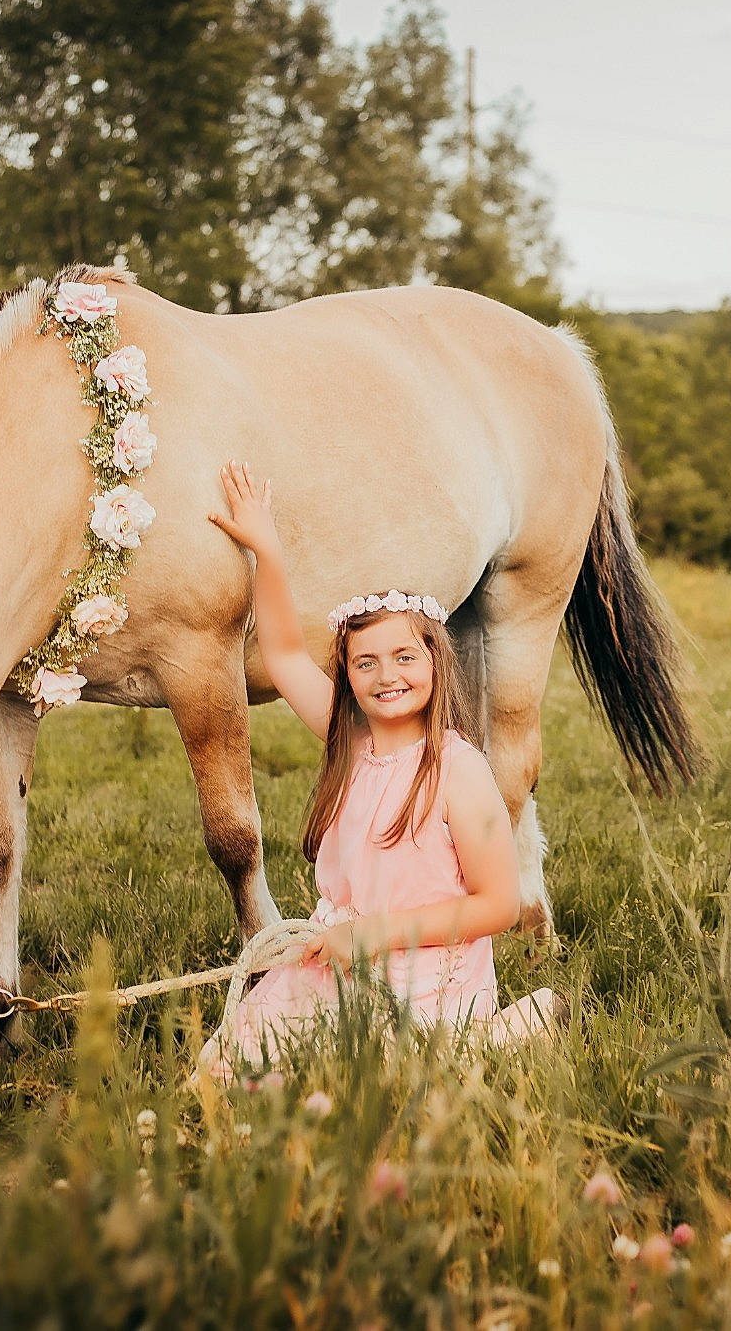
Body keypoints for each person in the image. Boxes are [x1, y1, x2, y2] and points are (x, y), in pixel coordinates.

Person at [199, 460, 561, 1076]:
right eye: (364, 663)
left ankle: (504, 1029)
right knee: (225, 1070)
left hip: (422, 966)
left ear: (434, 661)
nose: (386, 676)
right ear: (347, 675)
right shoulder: (349, 742)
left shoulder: (458, 770)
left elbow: (498, 904)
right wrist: (267, 548)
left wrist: (371, 936)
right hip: (337, 957)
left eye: (402, 657)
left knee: (373, 1074)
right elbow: (284, 654)